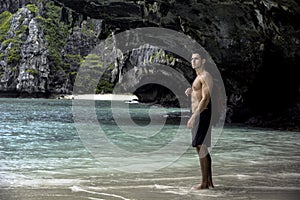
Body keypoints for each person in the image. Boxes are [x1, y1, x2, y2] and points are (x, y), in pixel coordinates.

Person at [185, 52, 214, 190]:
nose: (193, 61)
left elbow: (205, 99)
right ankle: (209, 182)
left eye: (196, 59)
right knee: (201, 147)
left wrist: (193, 116)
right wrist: (192, 91)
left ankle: (204, 184)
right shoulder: (198, 77)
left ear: (203, 61)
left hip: (202, 114)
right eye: (192, 59)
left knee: (201, 147)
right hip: (200, 114)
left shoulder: (205, 76)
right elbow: (199, 94)